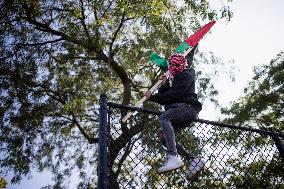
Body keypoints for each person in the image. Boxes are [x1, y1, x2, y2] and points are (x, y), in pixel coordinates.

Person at [144, 47, 205, 178]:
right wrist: (164, 85)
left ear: (182, 65)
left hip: (187, 108)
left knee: (164, 118)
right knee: (164, 138)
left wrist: (152, 97)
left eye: (177, 65)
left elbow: (172, 95)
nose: (173, 67)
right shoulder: (172, 77)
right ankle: (193, 159)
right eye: (171, 64)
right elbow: (166, 97)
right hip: (178, 110)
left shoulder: (186, 75)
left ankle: (172, 156)